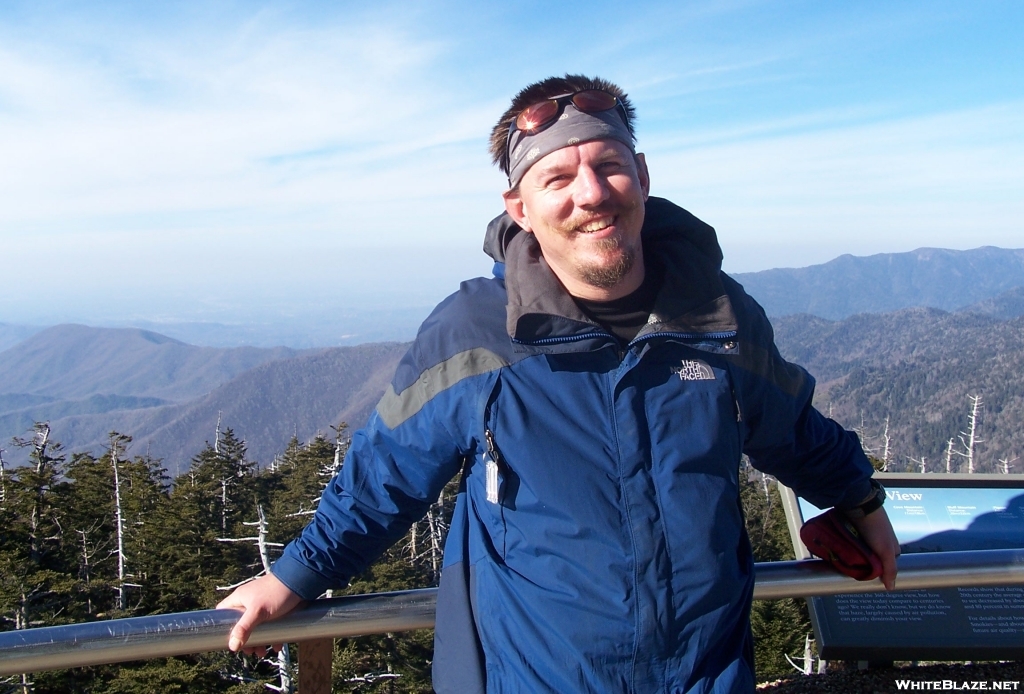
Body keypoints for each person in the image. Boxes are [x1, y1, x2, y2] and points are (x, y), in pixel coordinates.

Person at [218, 74, 900, 693]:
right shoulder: (476, 335)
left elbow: (791, 427)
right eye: (559, 179)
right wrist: (294, 577)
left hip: (706, 676)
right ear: (520, 207)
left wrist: (860, 500)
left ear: (642, 174)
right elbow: (385, 476)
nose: (592, 194)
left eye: (609, 166)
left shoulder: (716, 317)